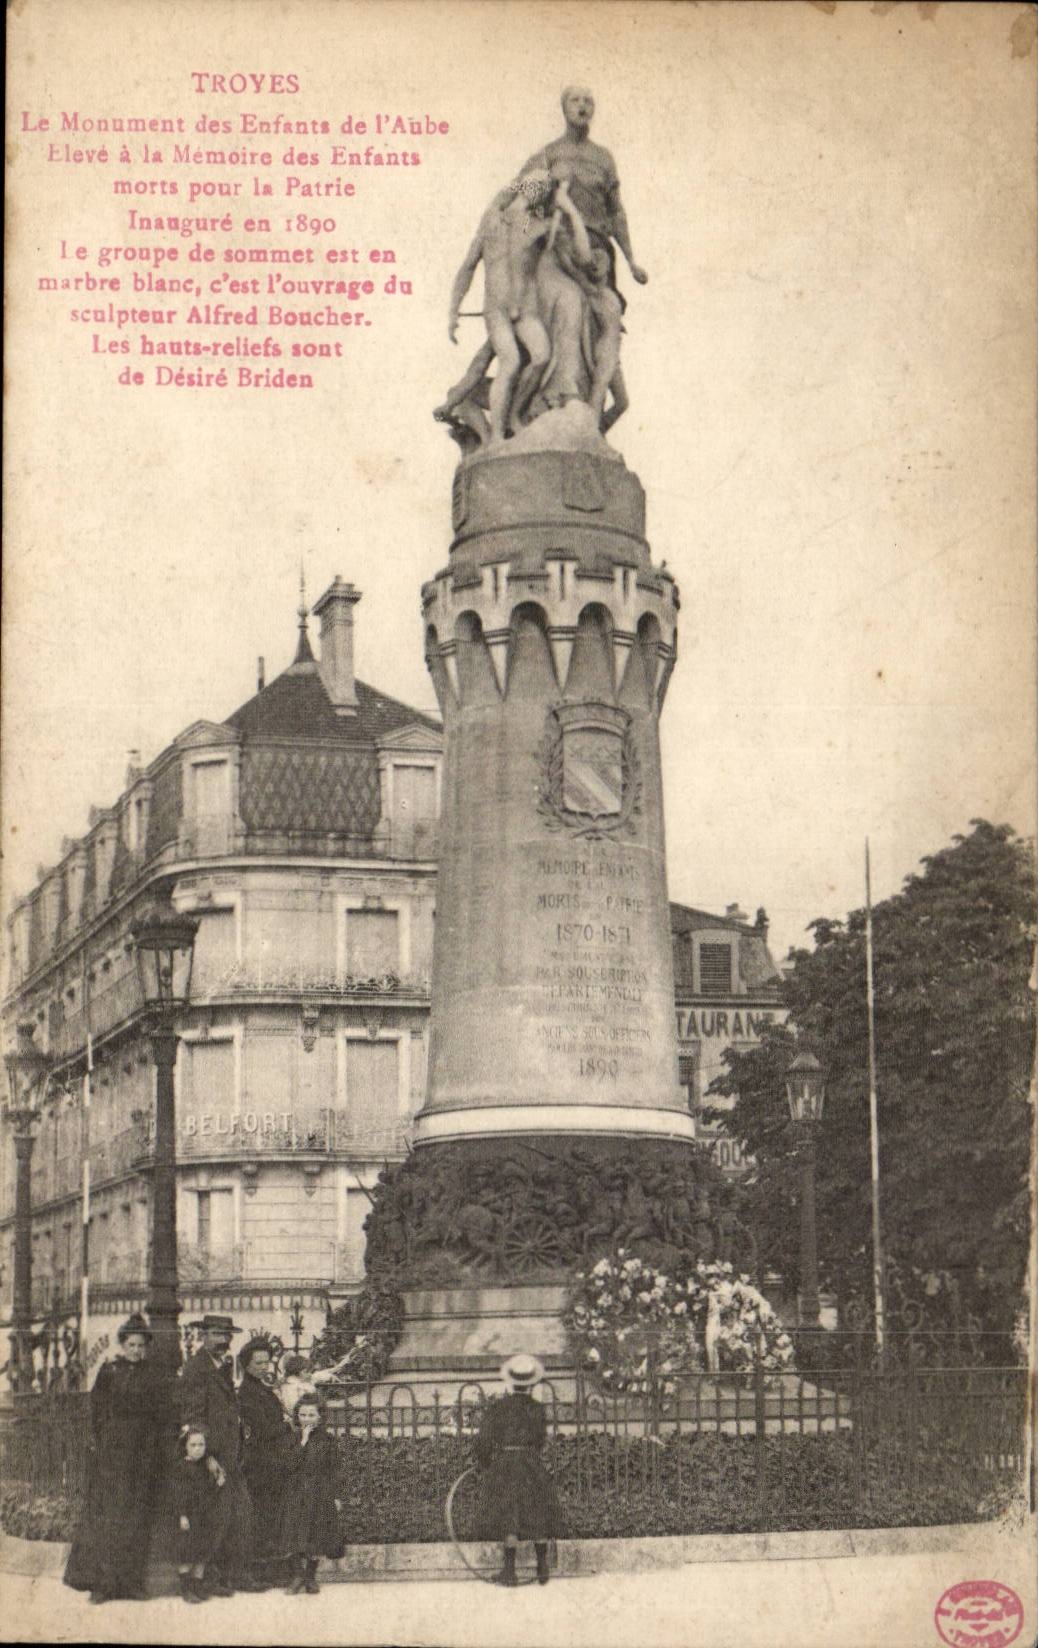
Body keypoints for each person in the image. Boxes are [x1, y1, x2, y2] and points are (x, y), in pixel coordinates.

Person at [445, 171, 593, 442]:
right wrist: (453, 309)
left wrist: (568, 209)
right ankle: (498, 436)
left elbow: (584, 256)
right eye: (535, 183)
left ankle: (514, 415)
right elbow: (467, 266)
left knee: (541, 358)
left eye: (545, 187)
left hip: (526, 310)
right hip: (498, 310)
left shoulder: (535, 225)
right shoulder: (493, 220)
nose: (540, 188)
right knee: (510, 362)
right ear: (522, 186)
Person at [63, 1312, 166, 1604]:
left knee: (138, 1516)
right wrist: (101, 1443)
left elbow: (161, 1413)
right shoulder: (109, 1371)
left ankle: (132, 1582)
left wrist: (154, 1448)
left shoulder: (153, 1374)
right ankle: (104, 1584)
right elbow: (96, 1410)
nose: (136, 1350)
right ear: (122, 1344)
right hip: (114, 1453)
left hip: (144, 1452)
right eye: (132, 1345)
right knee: (110, 1517)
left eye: (141, 1346)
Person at [177, 1313, 266, 1593]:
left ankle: (235, 1575)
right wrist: (209, 1457)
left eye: (226, 1335)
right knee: (216, 1518)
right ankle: (211, 1579)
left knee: (240, 1515)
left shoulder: (222, 1366)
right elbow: (193, 1414)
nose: (223, 1340)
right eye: (216, 1334)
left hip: (231, 1453)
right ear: (204, 1336)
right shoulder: (196, 1368)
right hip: (213, 1456)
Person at [474, 1353, 561, 1587]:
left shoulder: (499, 1408)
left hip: (506, 1463)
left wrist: (484, 1464)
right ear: (531, 1383)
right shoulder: (537, 1409)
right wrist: (530, 1454)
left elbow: (484, 1440)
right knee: (536, 1510)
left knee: (509, 1513)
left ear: (510, 1382)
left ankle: (509, 1572)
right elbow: (541, 1439)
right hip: (531, 1462)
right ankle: (542, 1567)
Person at [238, 1336, 292, 1583]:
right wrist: (288, 1425)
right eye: (258, 1362)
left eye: (266, 1362)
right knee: (264, 1516)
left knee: (272, 1515)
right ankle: (263, 1572)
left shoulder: (260, 1388)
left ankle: (272, 1572)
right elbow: (262, 1429)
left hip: (271, 1462)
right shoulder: (248, 1393)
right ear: (246, 1365)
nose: (264, 1367)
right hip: (261, 1464)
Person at [277, 1396, 344, 1596]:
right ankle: (297, 1576)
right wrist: (303, 1441)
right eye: (303, 1415)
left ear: (320, 1417)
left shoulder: (328, 1440)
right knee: (293, 1534)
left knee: (315, 1535)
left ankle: (310, 1577)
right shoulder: (291, 1438)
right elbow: (289, 1465)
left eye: (311, 1415)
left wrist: (336, 1496)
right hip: (295, 1492)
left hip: (318, 1493)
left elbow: (334, 1469)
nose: (307, 1419)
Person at [171, 1427, 222, 1604]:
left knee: (202, 1552)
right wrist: (182, 1515)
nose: (197, 1449)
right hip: (188, 1517)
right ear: (185, 1446)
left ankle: (197, 1585)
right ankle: (186, 1588)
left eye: (201, 1445)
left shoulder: (205, 1466)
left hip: (204, 1516)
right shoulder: (181, 1467)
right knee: (187, 1552)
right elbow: (177, 1495)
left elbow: (210, 1492)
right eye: (193, 1445)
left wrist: (217, 1482)